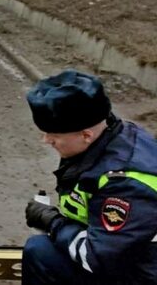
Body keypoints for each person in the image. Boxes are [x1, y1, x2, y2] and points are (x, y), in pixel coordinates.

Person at [22, 69, 157, 284]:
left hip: (141, 273)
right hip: (127, 251)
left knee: (39, 252)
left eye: (54, 135)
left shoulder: (125, 182)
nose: (46, 140)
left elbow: (95, 258)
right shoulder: (112, 135)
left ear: (86, 135)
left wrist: (52, 222)